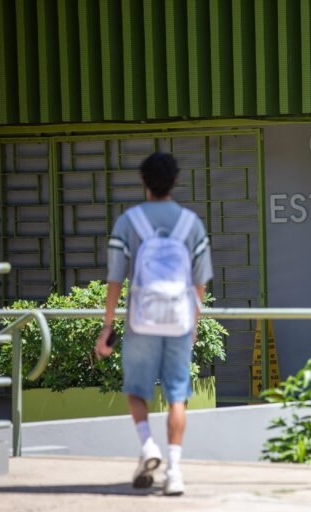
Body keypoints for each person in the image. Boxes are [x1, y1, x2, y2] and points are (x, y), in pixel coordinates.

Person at [95, 152, 213, 496]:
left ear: (144, 181)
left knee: (136, 390)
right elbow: (200, 280)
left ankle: (148, 446)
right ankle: (174, 471)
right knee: (178, 394)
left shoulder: (128, 222)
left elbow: (115, 278)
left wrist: (107, 325)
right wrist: (194, 321)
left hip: (140, 321)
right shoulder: (191, 223)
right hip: (177, 320)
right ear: (175, 181)